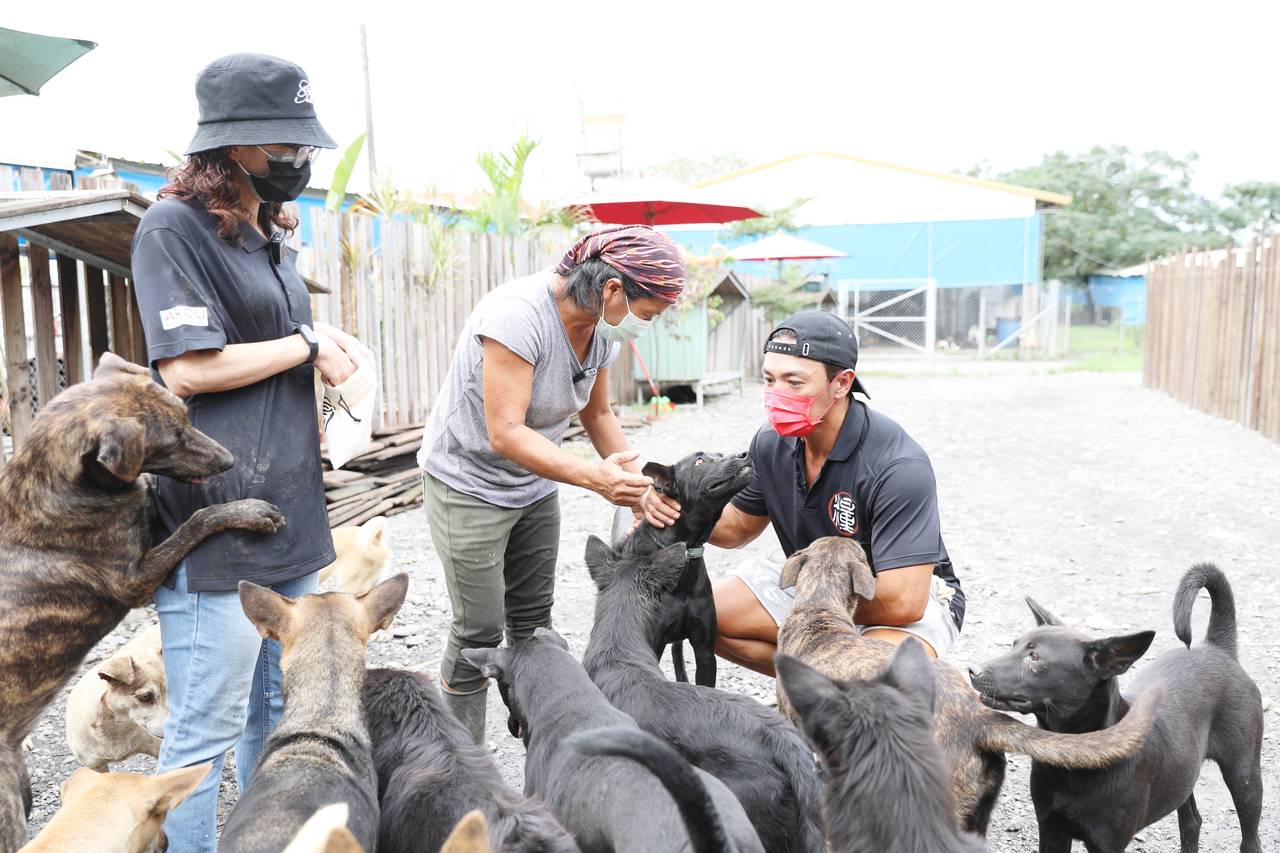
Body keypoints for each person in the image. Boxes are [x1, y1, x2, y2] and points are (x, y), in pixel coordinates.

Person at [130, 53, 371, 851]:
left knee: (276, 712)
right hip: (218, 521)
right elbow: (187, 368)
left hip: (291, 512)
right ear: (233, 146)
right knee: (205, 728)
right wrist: (306, 345)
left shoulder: (266, 230)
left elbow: (271, 339)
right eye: (285, 146)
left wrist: (322, 346)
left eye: (304, 145)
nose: (299, 159)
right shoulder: (172, 230)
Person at [418, 224, 684, 742]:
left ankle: (546, 748)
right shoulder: (517, 317)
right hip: (468, 481)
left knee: (535, 625)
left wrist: (638, 485)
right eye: (647, 313)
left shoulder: (601, 329)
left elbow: (598, 413)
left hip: (535, 483)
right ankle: (460, 761)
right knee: (478, 628)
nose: (645, 326)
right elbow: (506, 432)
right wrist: (593, 478)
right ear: (612, 289)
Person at [655, 311, 964, 675]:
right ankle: (816, 689)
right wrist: (669, 504)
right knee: (706, 616)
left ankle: (838, 689)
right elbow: (737, 527)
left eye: (794, 382)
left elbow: (903, 601)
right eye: (769, 380)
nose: (777, 395)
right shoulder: (771, 443)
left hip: (896, 598)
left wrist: (815, 607)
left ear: (842, 383)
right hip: (815, 584)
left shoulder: (897, 465)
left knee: (872, 674)